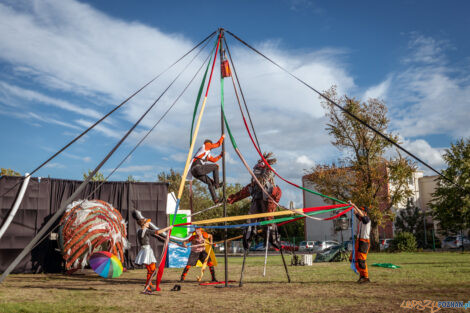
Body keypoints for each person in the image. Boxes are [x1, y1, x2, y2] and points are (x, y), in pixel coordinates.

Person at [190, 135, 225, 204]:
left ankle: (216, 200)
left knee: (210, 183)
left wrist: (221, 155)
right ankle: (217, 185)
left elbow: (214, 160)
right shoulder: (205, 146)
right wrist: (222, 137)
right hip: (197, 167)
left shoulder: (207, 153)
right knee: (216, 167)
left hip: (194, 172)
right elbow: (218, 144)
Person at [349, 201, 371, 283]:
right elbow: (355, 212)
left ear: (365, 212)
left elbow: (361, 215)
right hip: (359, 240)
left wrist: (354, 205)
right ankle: (361, 275)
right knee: (352, 259)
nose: (360, 211)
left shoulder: (367, 219)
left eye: (362, 210)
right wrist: (351, 206)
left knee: (361, 260)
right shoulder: (361, 219)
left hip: (364, 242)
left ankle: (365, 277)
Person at [135, 218, 158, 293]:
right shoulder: (146, 231)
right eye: (147, 222)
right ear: (144, 224)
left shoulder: (139, 230)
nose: (148, 223)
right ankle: (147, 286)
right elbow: (158, 231)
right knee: (152, 271)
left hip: (144, 250)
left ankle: (149, 285)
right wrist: (169, 228)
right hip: (147, 251)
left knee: (150, 270)